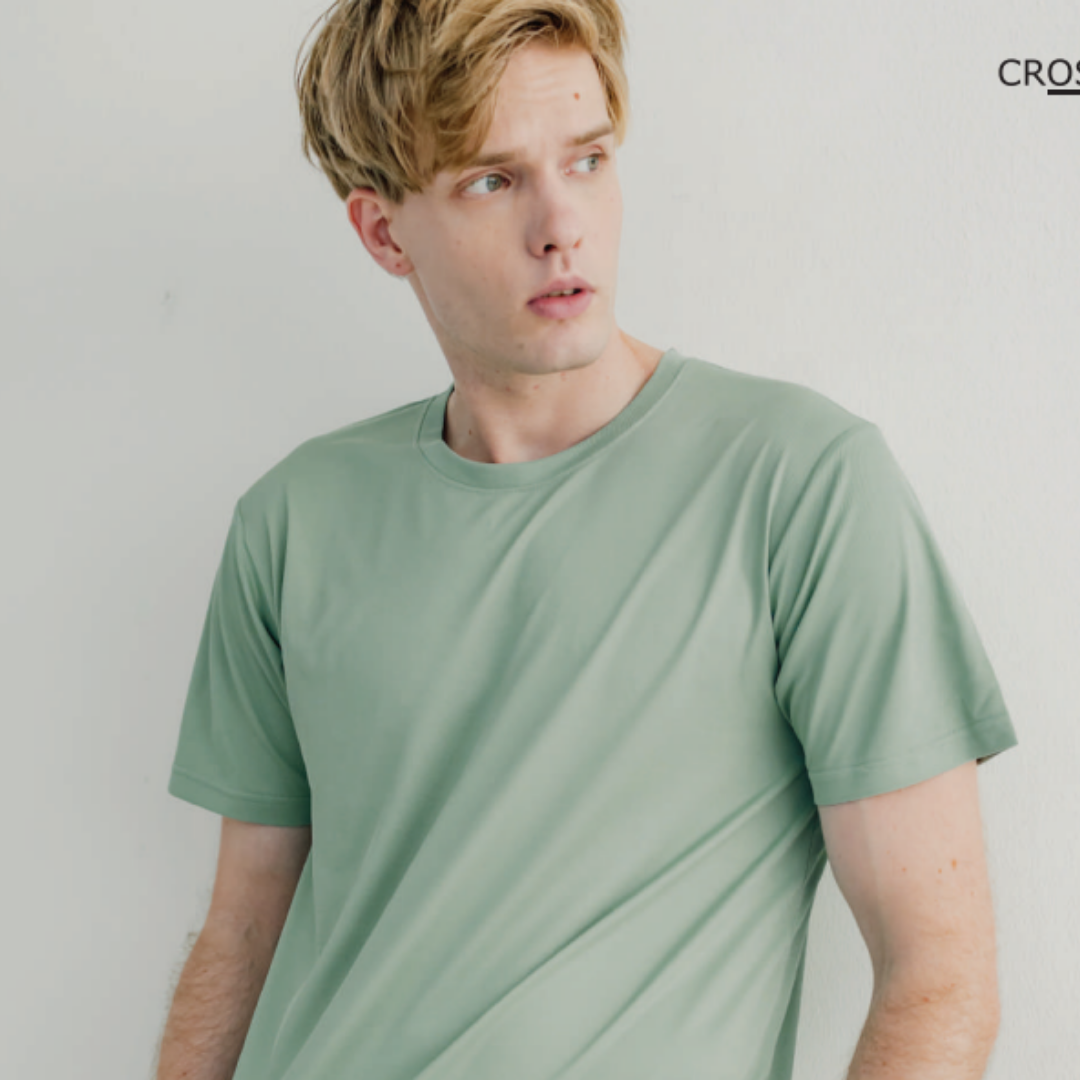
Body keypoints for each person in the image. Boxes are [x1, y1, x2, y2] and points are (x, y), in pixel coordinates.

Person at [156, 2, 1019, 1078]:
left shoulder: (800, 483)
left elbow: (938, 975)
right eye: (492, 180)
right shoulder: (293, 518)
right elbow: (241, 931)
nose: (562, 225)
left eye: (588, 160)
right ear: (383, 233)